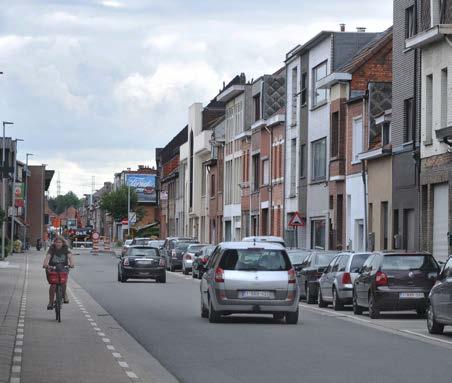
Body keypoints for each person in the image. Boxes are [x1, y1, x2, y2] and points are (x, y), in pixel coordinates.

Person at [43, 236, 74, 310]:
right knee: (53, 284)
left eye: (60, 242)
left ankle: (64, 295)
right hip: (52, 268)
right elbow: (48, 256)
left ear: (63, 243)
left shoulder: (65, 248)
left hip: (63, 267)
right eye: (56, 242)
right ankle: (50, 302)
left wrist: (71, 263)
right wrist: (45, 264)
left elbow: (70, 256)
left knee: (63, 282)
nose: (58, 244)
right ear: (54, 243)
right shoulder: (52, 248)